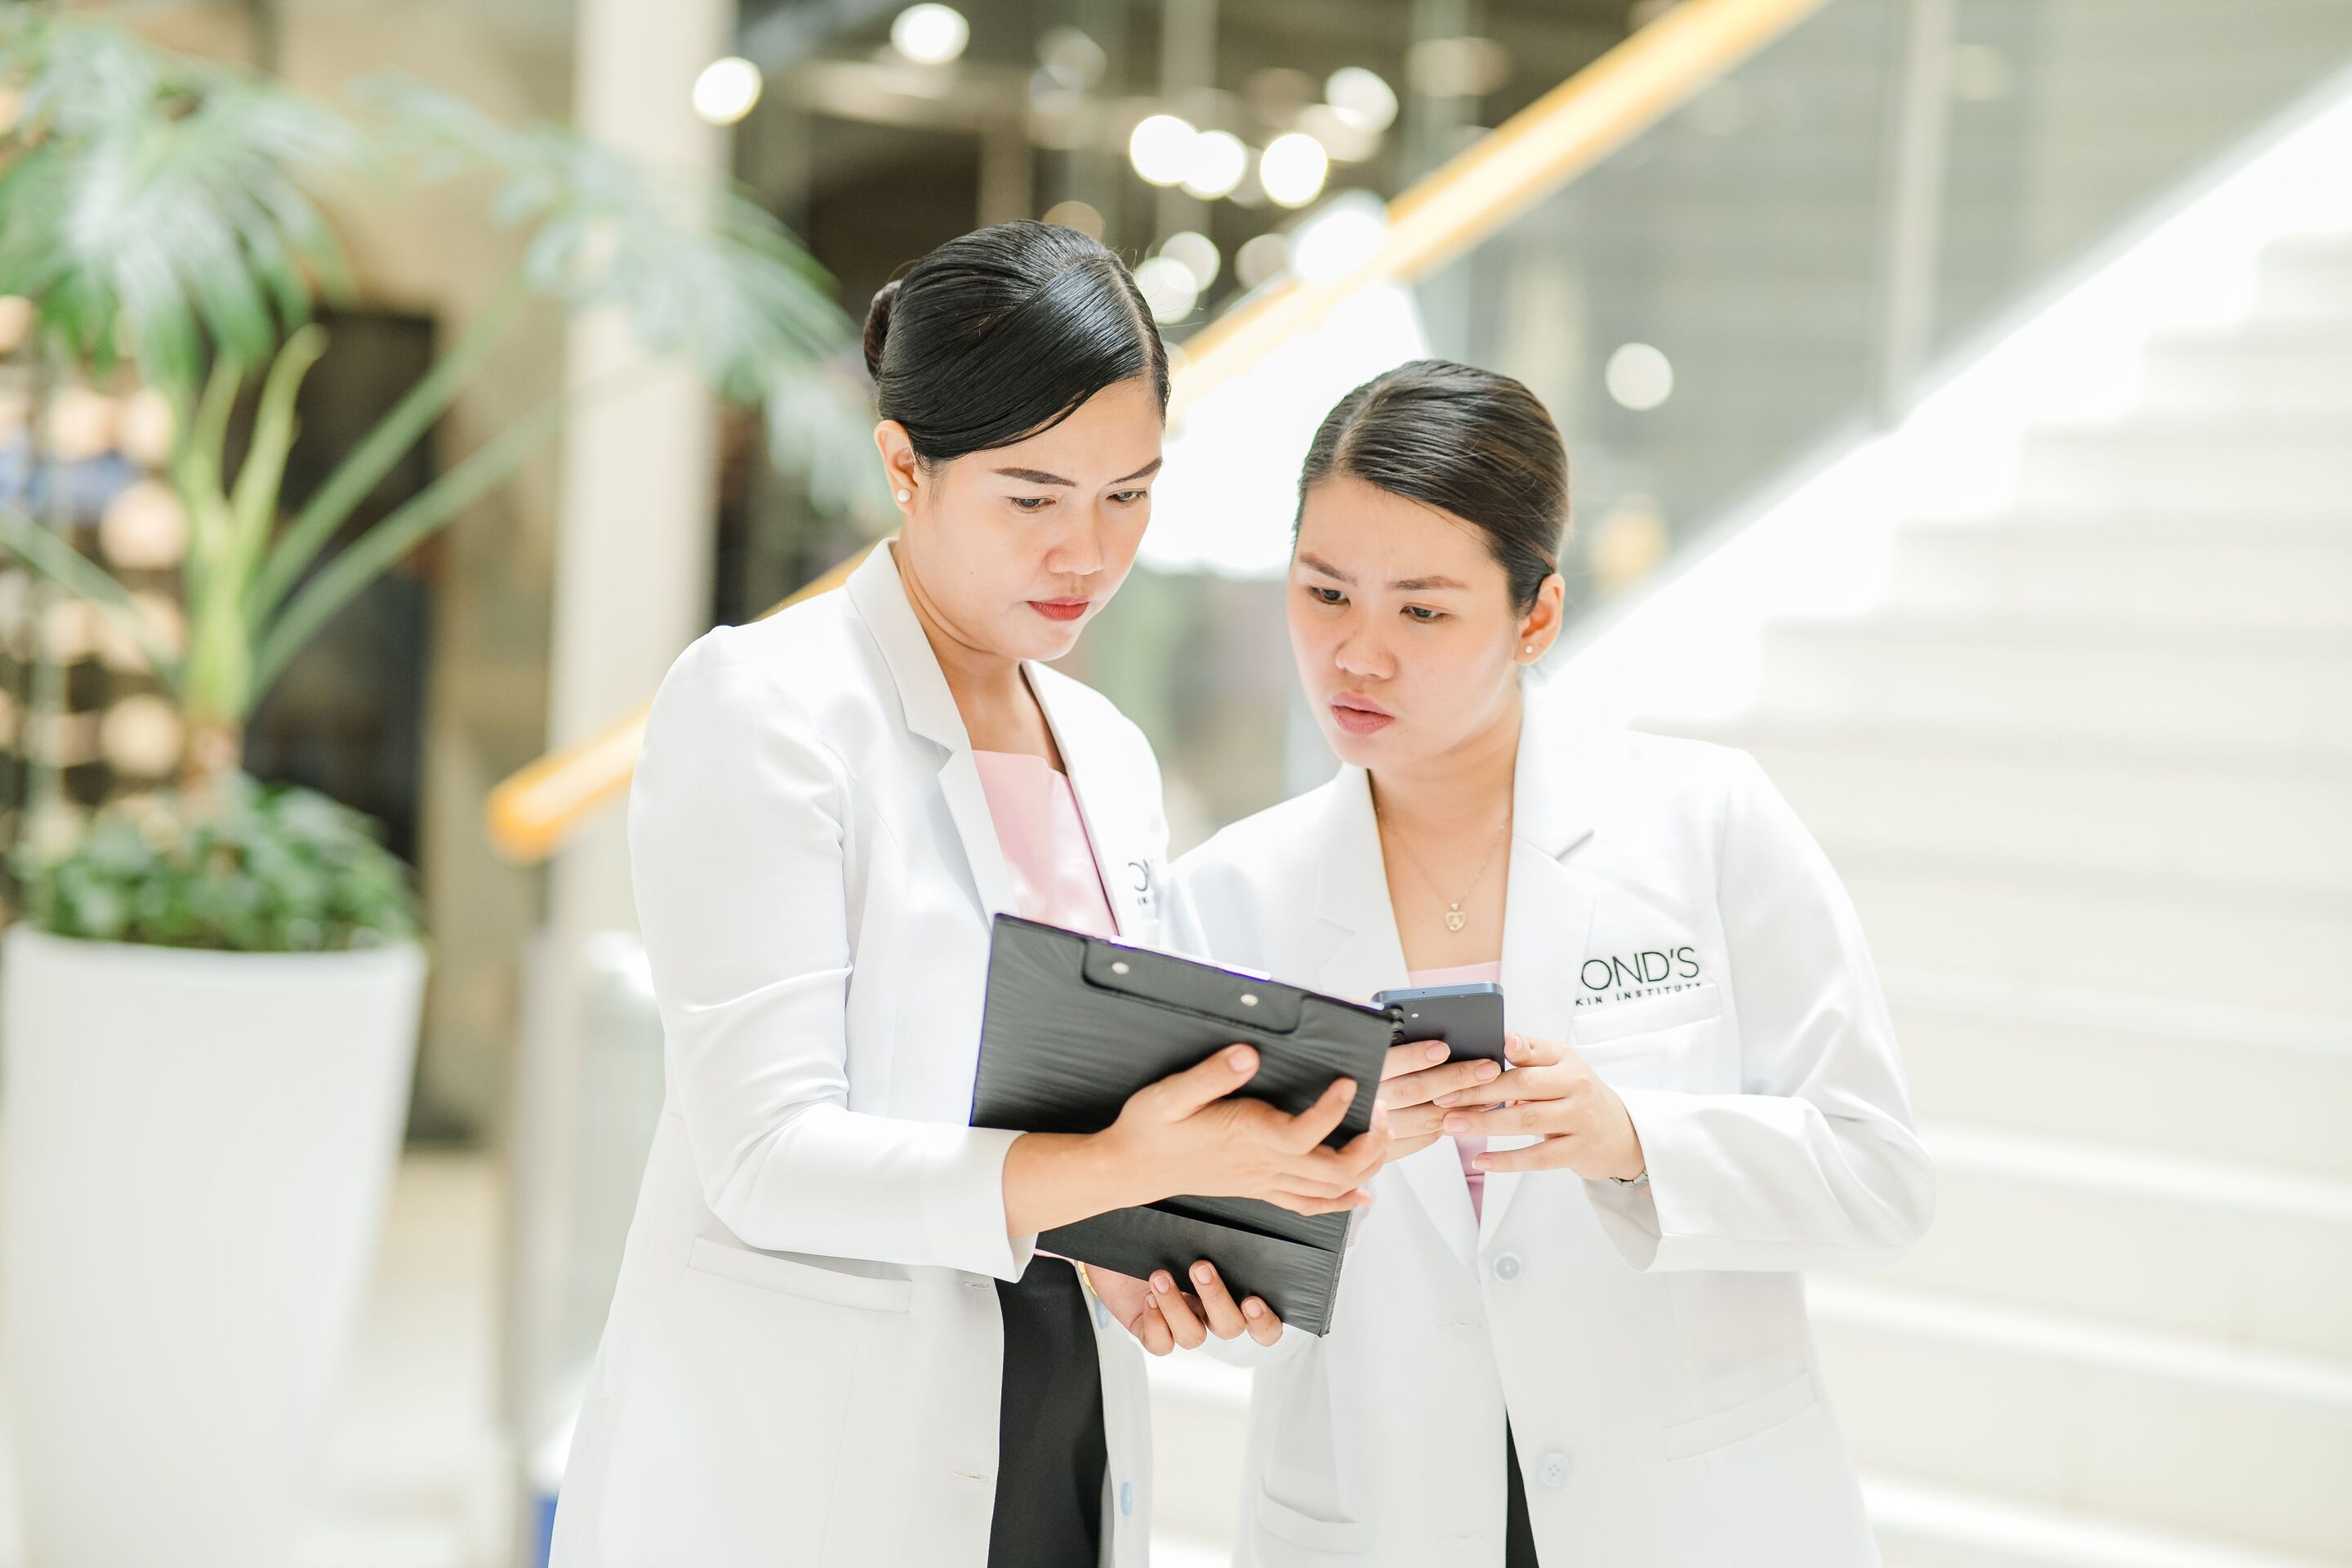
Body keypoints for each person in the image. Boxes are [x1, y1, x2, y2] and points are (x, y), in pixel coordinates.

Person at [550, 220, 1375, 1568]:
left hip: (1051, 1424)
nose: (1088, 554)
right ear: (902, 467)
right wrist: (1117, 1168)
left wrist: (1149, 1235)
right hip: (803, 1463)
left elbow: (1059, 1106)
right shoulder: (766, 707)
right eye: (1031, 496)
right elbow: (764, 1156)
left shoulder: (1105, 752)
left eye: (1129, 495)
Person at [1176, 359, 1936, 1567]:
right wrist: (1296, 1192)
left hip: (1688, 1516)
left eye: (1423, 610)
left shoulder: (1709, 823)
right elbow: (1214, 1295)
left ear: (1535, 616)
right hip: (1379, 1515)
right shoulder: (1230, 894)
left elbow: (1879, 1175)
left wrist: (1631, 1140)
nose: (1356, 654)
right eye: (1324, 593)